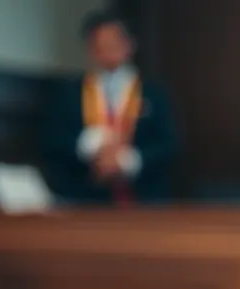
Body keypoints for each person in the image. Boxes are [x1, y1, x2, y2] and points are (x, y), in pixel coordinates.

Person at [41, 11, 177, 205]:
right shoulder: (70, 93)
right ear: (90, 49)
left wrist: (130, 160)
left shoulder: (154, 93)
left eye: (114, 43)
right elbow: (52, 141)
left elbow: (168, 145)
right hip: (85, 199)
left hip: (144, 200)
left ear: (130, 45)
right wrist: (87, 145)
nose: (107, 51)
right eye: (99, 45)